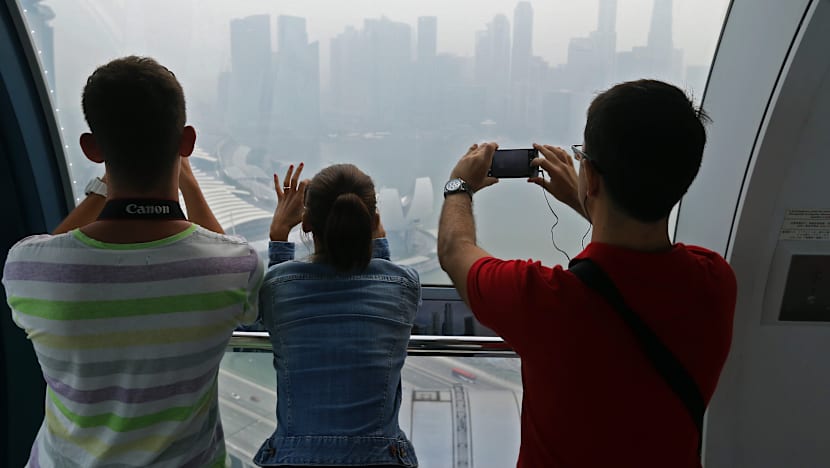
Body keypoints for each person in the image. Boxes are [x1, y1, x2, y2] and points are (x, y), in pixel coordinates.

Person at [437, 79, 736, 467]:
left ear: (591, 178)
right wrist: (589, 196)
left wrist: (459, 185)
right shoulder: (715, 282)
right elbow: (639, 253)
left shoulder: (543, 300)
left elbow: (454, 250)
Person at [2, 56, 263, 467]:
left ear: (92, 149)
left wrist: (101, 188)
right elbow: (220, 247)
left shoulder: (28, 269)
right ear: (187, 142)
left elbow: (50, 254)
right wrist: (189, 182)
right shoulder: (235, 267)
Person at [254, 163, 419, 468]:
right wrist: (378, 243)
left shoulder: (277, 288)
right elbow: (383, 282)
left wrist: (279, 238)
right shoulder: (404, 285)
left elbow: (272, 293)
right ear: (373, 223)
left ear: (306, 224)